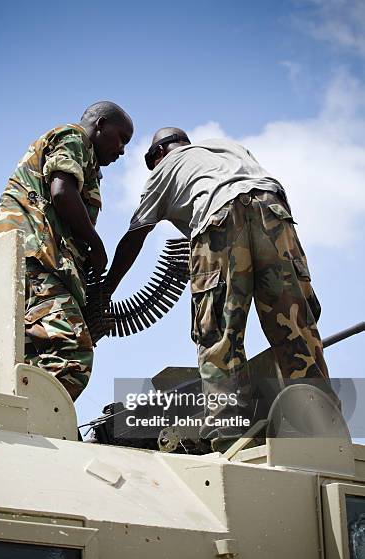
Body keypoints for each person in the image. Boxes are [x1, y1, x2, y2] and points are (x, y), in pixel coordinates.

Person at [104, 127, 330, 450]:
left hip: (219, 218)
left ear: (158, 154)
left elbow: (135, 235)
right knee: (296, 327)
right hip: (273, 210)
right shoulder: (227, 147)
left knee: (219, 334)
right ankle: (321, 424)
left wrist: (106, 290)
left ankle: (230, 432)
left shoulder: (164, 169)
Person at [0, 102, 133, 401]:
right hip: (35, 260)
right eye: (121, 138)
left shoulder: (88, 162)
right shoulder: (74, 136)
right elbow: (61, 191)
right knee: (73, 354)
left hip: (30, 262)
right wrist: (95, 243)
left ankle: (18, 420)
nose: (122, 150)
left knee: (31, 361)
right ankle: (34, 425)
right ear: (101, 124)